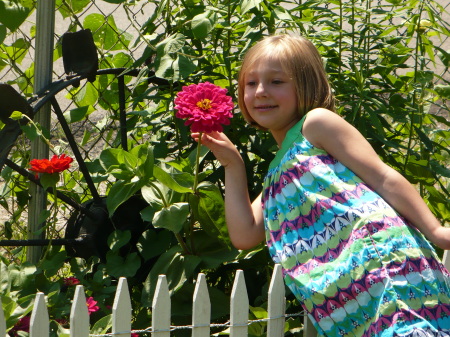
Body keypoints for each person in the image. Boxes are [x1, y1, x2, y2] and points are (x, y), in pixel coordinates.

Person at [192, 34, 450, 336]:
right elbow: (244, 234)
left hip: (381, 266)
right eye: (251, 83)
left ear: (307, 85)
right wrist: (232, 164)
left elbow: (382, 176)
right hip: (344, 299)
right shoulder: (277, 175)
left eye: (277, 82)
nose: (261, 91)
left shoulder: (315, 125)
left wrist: (435, 231)